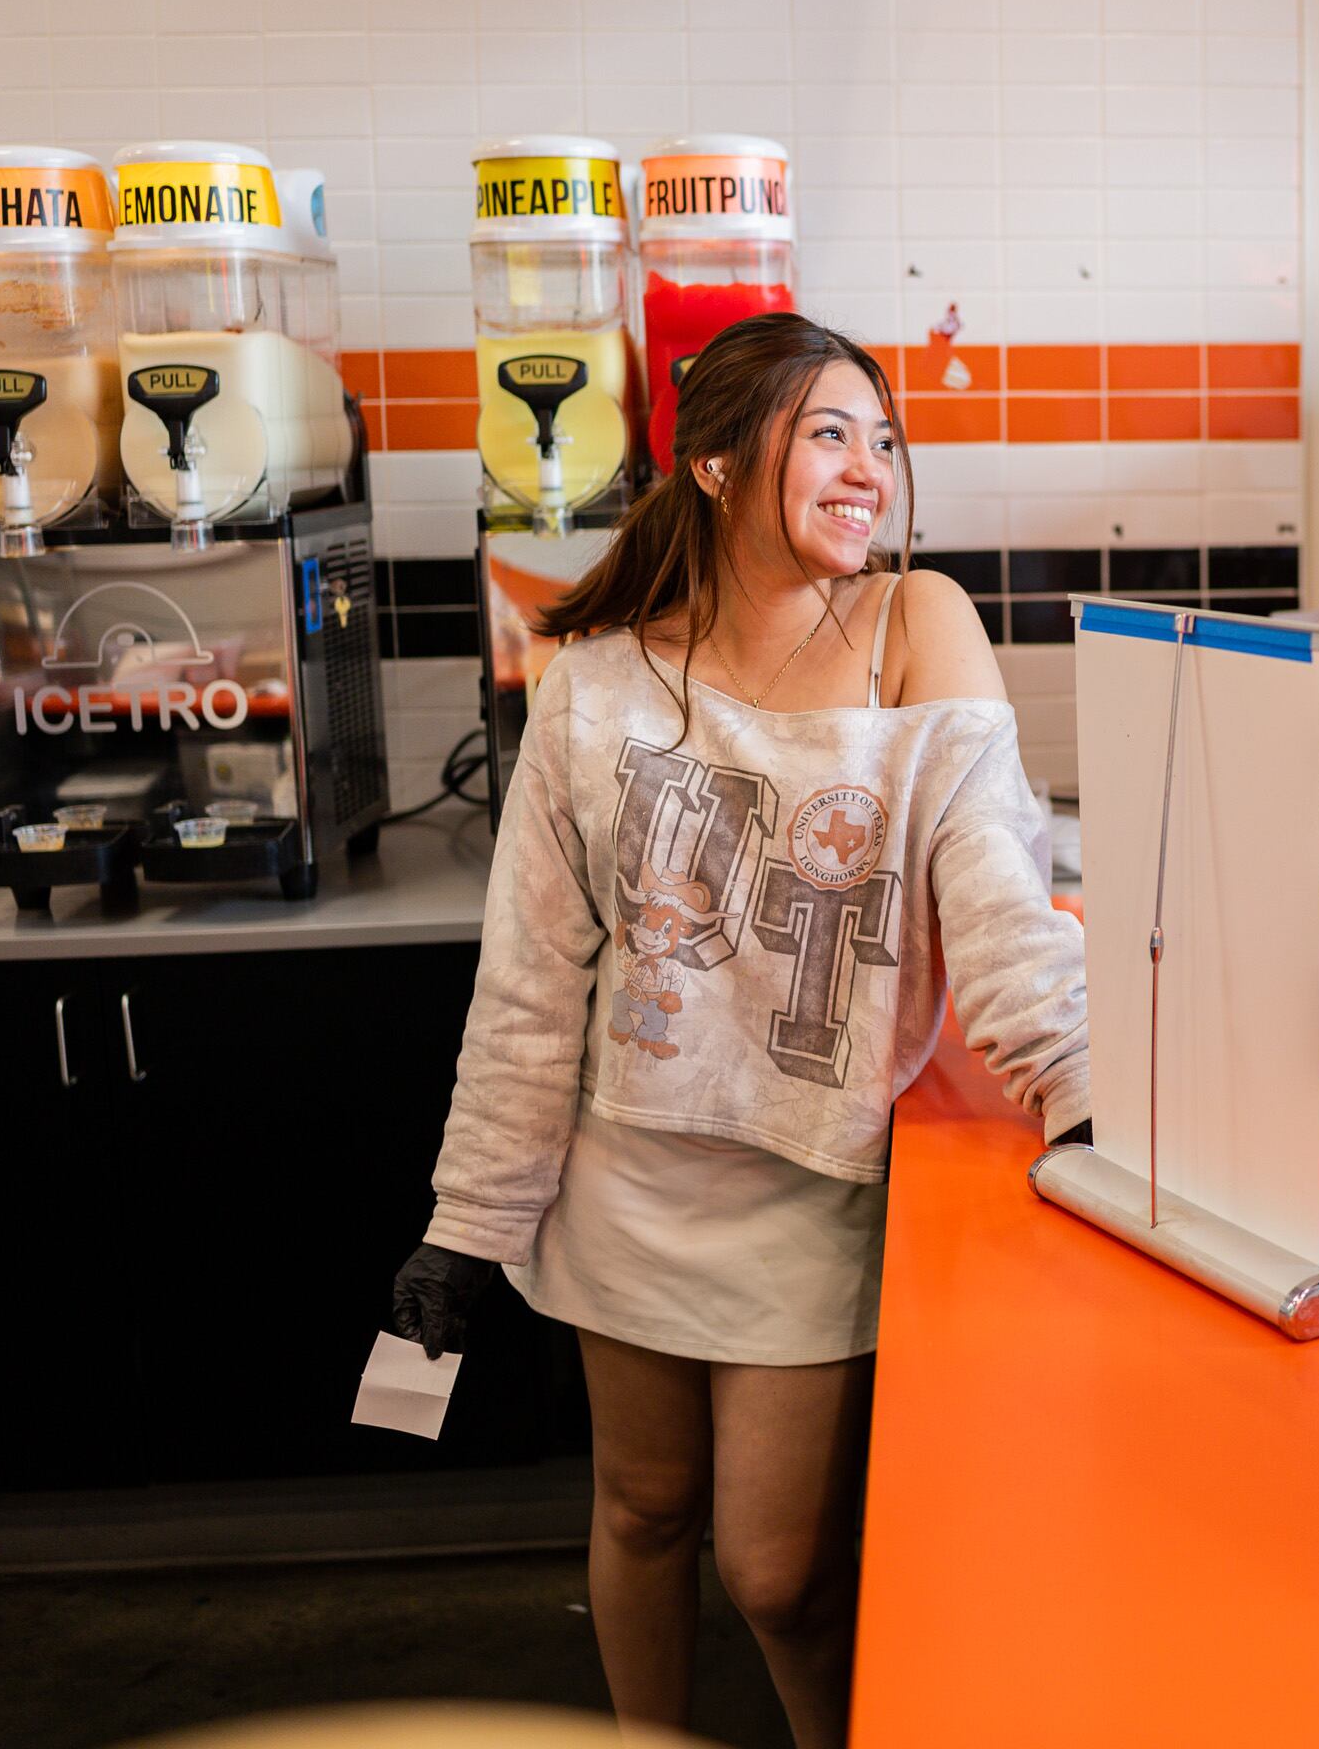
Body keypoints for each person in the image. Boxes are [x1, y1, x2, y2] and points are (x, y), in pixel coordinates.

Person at [386, 313, 1092, 1745]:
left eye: (880, 440)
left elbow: (999, 894)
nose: (867, 471)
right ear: (712, 463)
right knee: (642, 1513)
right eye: (829, 433)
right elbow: (530, 984)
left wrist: (1079, 1090)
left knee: (775, 1575)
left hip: (810, 1183)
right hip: (625, 1180)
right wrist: (470, 1221)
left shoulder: (914, 624)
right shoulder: (590, 683)